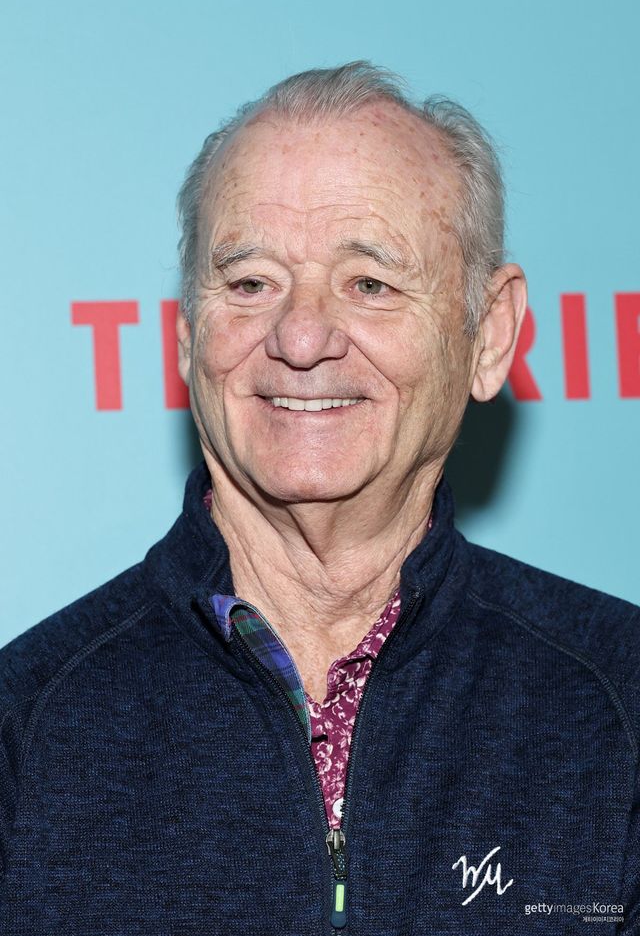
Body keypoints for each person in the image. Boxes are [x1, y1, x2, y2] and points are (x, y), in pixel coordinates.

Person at [1, 61, 638, 935]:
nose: (300, 338)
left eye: (369, 283)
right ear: (187, 335)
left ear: (490, 335)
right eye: (251, 283)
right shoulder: (25, 728)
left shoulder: (620, 706)